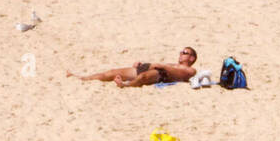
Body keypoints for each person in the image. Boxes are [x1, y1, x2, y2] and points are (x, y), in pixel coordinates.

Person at [69, 47, 199, 86]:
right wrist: (143, 64)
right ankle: (84, 78)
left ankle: (125, 85)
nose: (181, 54)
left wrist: (163, 67)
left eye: (185, 53)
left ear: (192, 58)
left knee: (144, 76)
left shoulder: (191, 70)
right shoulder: (172, 64)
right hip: (154, 68)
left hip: (162, 74)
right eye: (181, 52)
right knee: (112, 72)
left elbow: (180, 74)